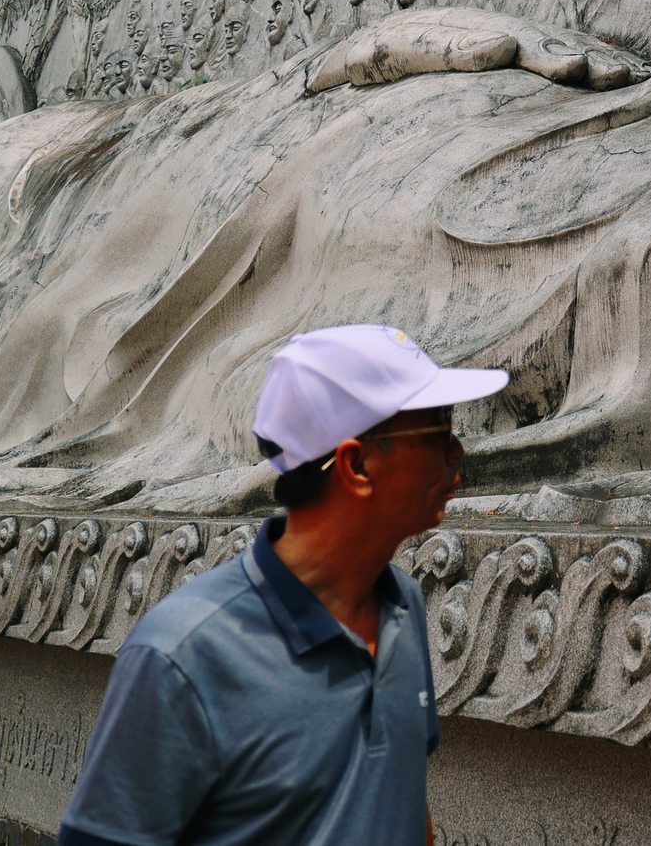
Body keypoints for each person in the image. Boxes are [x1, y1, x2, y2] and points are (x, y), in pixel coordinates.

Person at [58, 326, 507, 846]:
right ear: (356, 465)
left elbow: (400, 796)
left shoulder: (401, 605)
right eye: (438, 429)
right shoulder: (182, 656)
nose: (458, 451)